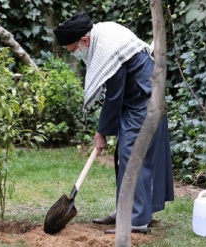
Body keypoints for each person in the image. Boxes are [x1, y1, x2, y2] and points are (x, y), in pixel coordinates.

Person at [53, 12, 174, 234]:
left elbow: (114, 95)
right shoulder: (100, 34)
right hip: (137, 98)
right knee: (123, 156)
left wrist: (102, 132)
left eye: (73, 50)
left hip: (145, 100)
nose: (76, 54)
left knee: (133, 155)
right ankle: (125, 210)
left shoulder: (108, 47)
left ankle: (135, 220)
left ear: (84, 41)